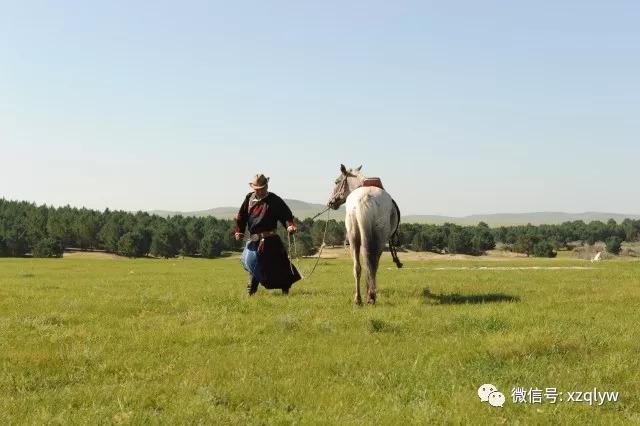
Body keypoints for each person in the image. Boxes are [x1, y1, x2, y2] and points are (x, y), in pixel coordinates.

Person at [235, 173, 301, 295]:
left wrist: (290, 225)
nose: (260, 191)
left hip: (271, 241)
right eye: (257, 189)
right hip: (254, 242)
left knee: (281, 267)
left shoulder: (274, 200)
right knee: (254, 264)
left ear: (266, 186)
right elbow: (241, 216)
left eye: (262, 188)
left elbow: (286, 215)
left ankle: (285, 291)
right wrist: (239, 231)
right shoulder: (249, 199)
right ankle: (251, 291)